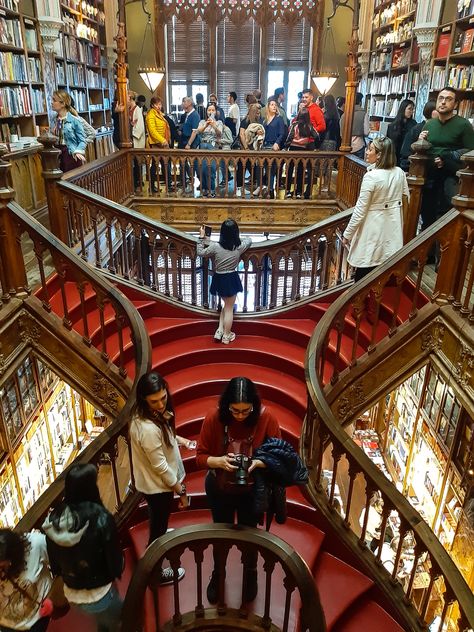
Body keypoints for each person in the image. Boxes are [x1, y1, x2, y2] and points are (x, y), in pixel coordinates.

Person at [196, 376, 281, 604]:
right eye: (235, 411)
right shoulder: (214, 418)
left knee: (249, 535)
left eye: (246, 411)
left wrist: (258, 463)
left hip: (252, 491)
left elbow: (278, 456)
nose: (241, 416)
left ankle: (251, 573)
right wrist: (220, 461)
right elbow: (200, 456)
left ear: (254, 405)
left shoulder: (266, 418)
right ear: (226, 405)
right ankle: (218, 573)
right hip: (219, 488)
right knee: (220, 533)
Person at [43, 463, 124, 632]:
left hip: (72, 592)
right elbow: (114, 562)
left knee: (104, 620)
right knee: (118, 620)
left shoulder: (54, 519)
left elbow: (55, 563)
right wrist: (117, 569)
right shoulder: (100, 517)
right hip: (99, 591)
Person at [129, 372, 190, 568]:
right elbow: (161, 466)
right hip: (158, 486)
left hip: (154, 483)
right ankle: (154, 570)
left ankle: (158, 537)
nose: (161, 405)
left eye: (163, 398)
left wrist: (180, 440)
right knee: (158, 524)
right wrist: (180, 490)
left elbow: (164, 437)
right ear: (144, 400)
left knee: (157, 518)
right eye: (154, 401)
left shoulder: (148, 415)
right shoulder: (147, 429)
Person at [342, 136, 409, 282]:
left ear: (379, 155)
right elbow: (405, 199)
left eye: (370, 149)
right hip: (391, 231)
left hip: (372, 231)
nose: (366, 152)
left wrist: (347, 235)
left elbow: (360, 210)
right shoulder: (399, 173)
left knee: (364, 272)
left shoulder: (371, 177)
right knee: (381, 272)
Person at [419, 86, 474, 227]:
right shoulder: (429, 125)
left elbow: (470, 152)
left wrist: (446, 159)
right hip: (430, 177)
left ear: (455, 104)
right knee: (427, 218)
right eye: (441, 98)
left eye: (448, 99)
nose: (443, 102)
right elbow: (422, 151)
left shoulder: (463, 125)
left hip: (452, 179)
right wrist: (420, 141)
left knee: (446, 221)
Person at [197, 219, 251, 343]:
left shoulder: (215, 246)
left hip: (219, 278)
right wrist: (238, 238)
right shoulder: (239, 247)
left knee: (226, 306)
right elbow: (249, 240)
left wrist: (201, 238)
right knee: (229, 308)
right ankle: (226, 336)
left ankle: (220, 330)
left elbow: (200, 252)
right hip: (231, 278)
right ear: (236, 233)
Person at [0, 529, 52, 632]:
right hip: (10, 627)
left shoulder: (36, 544)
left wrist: (54, 596)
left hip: (45, 617)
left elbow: (60, 568)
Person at [186, 102, 223, 197]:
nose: (211, 111)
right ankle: (204, 188)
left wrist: (213, 125)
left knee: (211, 169)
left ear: (216, 112)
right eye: (209, 110)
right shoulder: (202, 122)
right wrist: (206, 125)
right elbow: (198, 131)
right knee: (201, 169)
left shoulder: (219, 122)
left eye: (213, 110)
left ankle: (212, 190)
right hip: (202, 145)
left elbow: (219, 134)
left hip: (212, 146)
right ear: (206, 111)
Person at [285, 106, 319, 199]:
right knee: (300, 171)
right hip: (303, 151)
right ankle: (299, 192)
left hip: (292, 150)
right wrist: (313, 145)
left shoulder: (294, 125)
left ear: (299, 115)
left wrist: (286, 147)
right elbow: (317, 136)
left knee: (290, 170)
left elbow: (289, 137)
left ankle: (287, 191)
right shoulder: (310, 126)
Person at [256, 97, 286, 198]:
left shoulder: (279, 119)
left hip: (273, 147)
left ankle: (271, 190)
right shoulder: (263, 120)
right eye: (272, 104)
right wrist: (258, 133)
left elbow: (282, 134)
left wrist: (277, 143)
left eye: (275, 105)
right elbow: (260, 132)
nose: (274, 106)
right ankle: (262, 187)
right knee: (262, 168)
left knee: (271, 169)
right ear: (268, 107)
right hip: (263, 147)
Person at [51, 89, 87, 172]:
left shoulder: (75, 120)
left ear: (63, 104)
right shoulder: (54, 120)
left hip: (70, 154)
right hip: (57, 154)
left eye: (54, 100)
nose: (52, 103)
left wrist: (78, 151)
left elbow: (82, 140)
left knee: (71, 180)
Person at [400, 100, 438, 172]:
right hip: (416, 170)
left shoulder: (439, 129)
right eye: (437, 110)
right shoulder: (416, 129)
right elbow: (405, 156)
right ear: (431, 111)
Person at [236, 103, 264, 197]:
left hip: (253, 150)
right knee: (241, 169)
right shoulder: (245, 121)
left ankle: (254, 187)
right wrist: (246, 148)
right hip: (244, 150)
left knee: (252, 168)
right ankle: (239, 188)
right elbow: (241, 134)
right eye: (256, 113)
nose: (258, 114)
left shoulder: (258, 122)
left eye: (259, 113)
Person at [146, 96, 171, 193]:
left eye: (160, 104)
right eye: (157, 104)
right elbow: (152, 130)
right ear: (152, 105)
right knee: (155, 165)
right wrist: (162, 140)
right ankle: (152, 187)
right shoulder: (151, 115)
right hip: (157, 144)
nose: (159, 106)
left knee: (164, 164)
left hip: (163, 143)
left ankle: (168, 185)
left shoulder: (159, 114)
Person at [387, 99, 417, 167]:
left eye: (412, 109)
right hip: (394, 157)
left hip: (406, 157)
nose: (411, 112)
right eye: (409, 109)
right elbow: (389, 143)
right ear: (403, 109)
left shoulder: (414, 124)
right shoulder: (393, 125)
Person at [340, 92, 369, 159]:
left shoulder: (344, 115)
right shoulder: (363, 114)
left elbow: (341, 133)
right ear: (360, 102)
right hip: (359, 145)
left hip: (345, 145)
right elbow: (366, 132)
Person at [128, 91, 146, 190]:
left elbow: (139, 128)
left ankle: (139, 182)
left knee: (138, 163)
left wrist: (131, 131)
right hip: (131, 142)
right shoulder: (129, 109)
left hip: (136, 141)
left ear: (130, 98)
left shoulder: (137, 110)